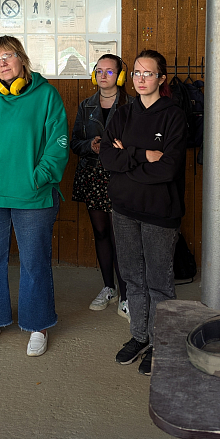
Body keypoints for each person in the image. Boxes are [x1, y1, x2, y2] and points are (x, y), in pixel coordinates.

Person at [0, 36, 68, 357]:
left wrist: (39, 177)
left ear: (22, 59)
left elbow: (58, 144)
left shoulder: (47, 96)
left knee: (34, 261)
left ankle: (38, 324)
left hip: (33, 197)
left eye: (7, 56)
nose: (2, 63)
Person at [100, 49, 187, 376]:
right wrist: (143, 154)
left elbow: (168, 169)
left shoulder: (173, 115)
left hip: (159, 214)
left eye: (148, 73)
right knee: (132, 279)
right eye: (136, 72)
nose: (140, 78)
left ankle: (162, 343)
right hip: (123, 210)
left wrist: (127, 163)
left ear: (161, 79)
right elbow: (108, 158)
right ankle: (139, 336)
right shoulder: (122, 115)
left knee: (159, 282)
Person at [70, 54, 129, 320]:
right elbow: (74, 142)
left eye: (110, 71)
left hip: (120, 177)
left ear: (120, 76)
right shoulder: (86, 106)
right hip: (93, 176)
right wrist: (89, 145)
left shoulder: (132, 104)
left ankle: (127, 295)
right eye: (99, 70)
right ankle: (109, 287)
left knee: (122, 236)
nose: (104, 75)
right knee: (101, 232)